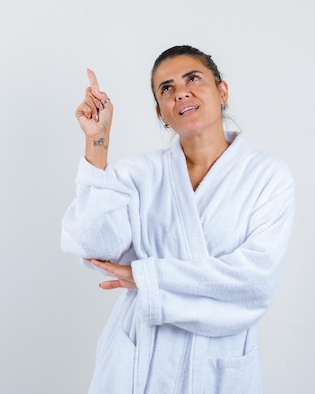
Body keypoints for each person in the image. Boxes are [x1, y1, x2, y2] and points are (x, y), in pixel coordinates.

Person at [60, 45, 295, 394]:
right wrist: (97, 142)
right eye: (166, 88)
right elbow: (98, 247)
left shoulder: (268, 177)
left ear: (222, 91)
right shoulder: (139, 174)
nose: (180, 91)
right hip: (141, 356)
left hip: (218, 362)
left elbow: (254, 281)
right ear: (161, 111)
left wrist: (146, 276)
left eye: (193, 78)